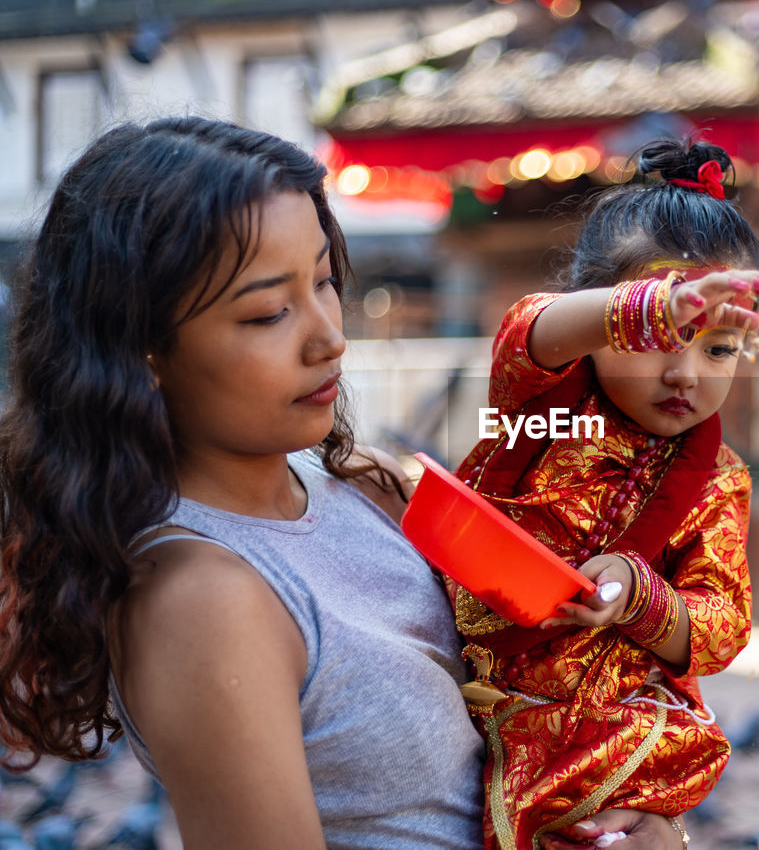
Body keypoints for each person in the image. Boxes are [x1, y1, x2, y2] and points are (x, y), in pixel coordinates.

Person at [0, 117, 686, 850]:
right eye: (269, 311)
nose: (330, 334)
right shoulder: (201, 597)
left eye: (324, 279)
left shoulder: (359, 481)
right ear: (141, 351)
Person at [447, 137, 759, 849]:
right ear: (601, 320)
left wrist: (640, 594)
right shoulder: (543, 403)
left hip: (622, 728)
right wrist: (647, 305)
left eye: (717, 348)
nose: (686, 372)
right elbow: (528, 329)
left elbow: (723, 621)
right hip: (489, 691)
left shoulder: (718, 478)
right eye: (661, 337)